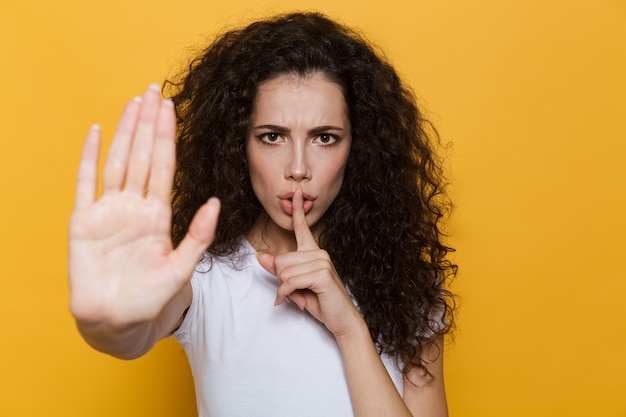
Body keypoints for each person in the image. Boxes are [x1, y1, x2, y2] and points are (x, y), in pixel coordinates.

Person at [69, 12, 457, 417]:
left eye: (325, 138)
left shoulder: (407, 289)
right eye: (272, 137)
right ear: (239, 146)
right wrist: (108, 323)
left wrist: (351, 329)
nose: (298, 167)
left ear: (358, 150)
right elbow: (133, 332)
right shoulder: (203, 279)